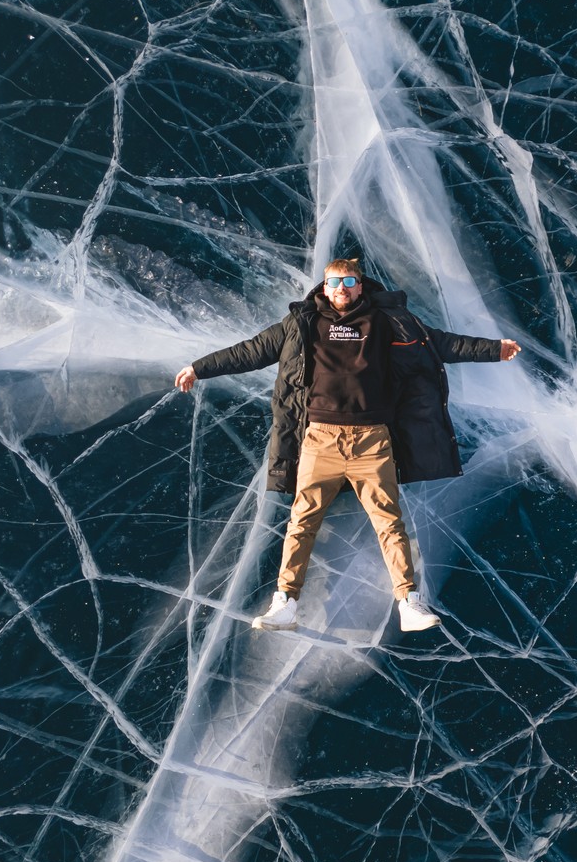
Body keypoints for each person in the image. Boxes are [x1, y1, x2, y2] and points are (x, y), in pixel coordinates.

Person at [175, 258, 521, 632]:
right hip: (319, 439)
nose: (341, 288)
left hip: (372, 440)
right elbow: (251, 350)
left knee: (389, 523)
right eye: (335, 282)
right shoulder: (301, 323)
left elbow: (439, 344)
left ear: (360, 286)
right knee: (302, 522)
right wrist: (199, 368)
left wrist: (493, 349)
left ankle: (409, 602)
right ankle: (286, 603)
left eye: (349, 281)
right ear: (324, 287)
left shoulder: (388, 321)